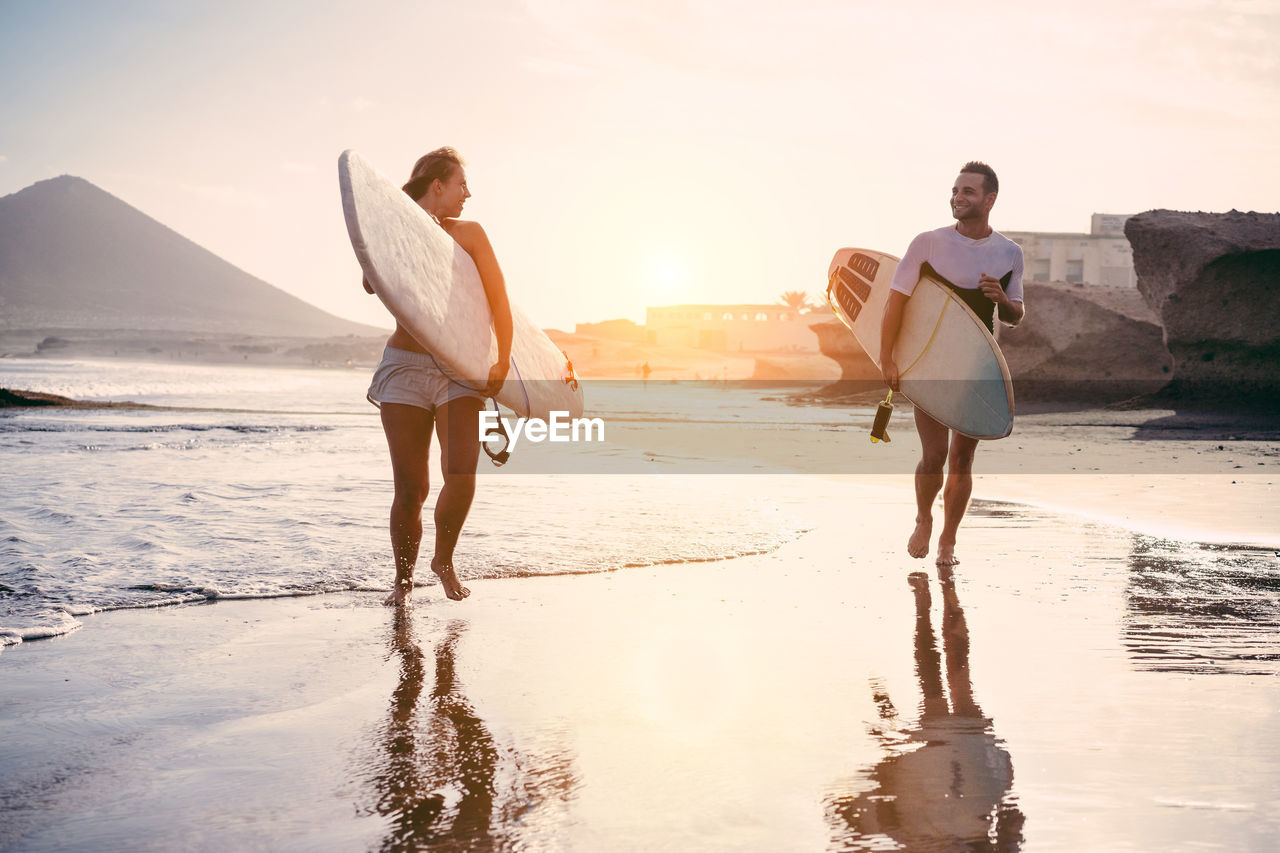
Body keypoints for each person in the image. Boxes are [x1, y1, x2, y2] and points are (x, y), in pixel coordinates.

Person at [364, 147, 513, 605]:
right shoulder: (396, 229)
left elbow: (499, 299)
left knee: (461, 473)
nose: (468, 193)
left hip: (457, 369)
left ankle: (443, 559)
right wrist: (402, 232)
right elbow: (372, 282)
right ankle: (402, 581)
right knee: (411, 487)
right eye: (461, 185)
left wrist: (503, 359)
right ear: (438, 186)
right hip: (405, 368)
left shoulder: (471, 235)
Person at [880, 161, 1025, 567]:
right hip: (931, 364)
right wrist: (886, 357)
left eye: (968, 192)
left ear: (989, 199)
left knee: (963, 459)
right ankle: (924, 518)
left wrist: (1002, 300)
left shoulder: (1009, 253)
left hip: (977, 369)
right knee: (934, 456)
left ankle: (948, 541)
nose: (958, 198)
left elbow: (1016, 315)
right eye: (955, 190)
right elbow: (895, 300)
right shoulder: (928, 243)